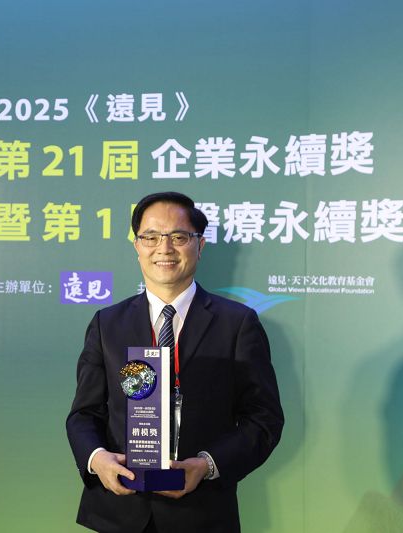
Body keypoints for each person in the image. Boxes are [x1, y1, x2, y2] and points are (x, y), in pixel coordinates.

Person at [66, 191, 284, 533]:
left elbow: (263, 419)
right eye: (151, 237)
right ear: (137, 246)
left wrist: (207, 465)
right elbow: (83, 414)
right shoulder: (107, 324)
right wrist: (97, 459)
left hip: (202, 513)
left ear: (200, 245)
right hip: (120, 511)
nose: (164, 248)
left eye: (179, 237)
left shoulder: (237, 324)